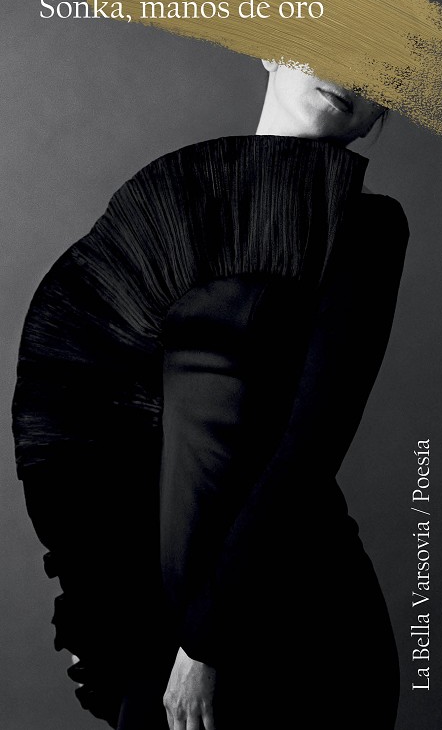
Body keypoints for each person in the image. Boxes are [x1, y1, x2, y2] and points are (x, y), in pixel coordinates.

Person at [12, 60, 409, 730]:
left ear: (379, 117)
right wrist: (103, 602)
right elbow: (92, 408)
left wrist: (206, 644)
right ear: (272, 50)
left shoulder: (365, 226)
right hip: (165, 622)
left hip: (295, 619)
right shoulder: (181, 202)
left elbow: (308, 451)